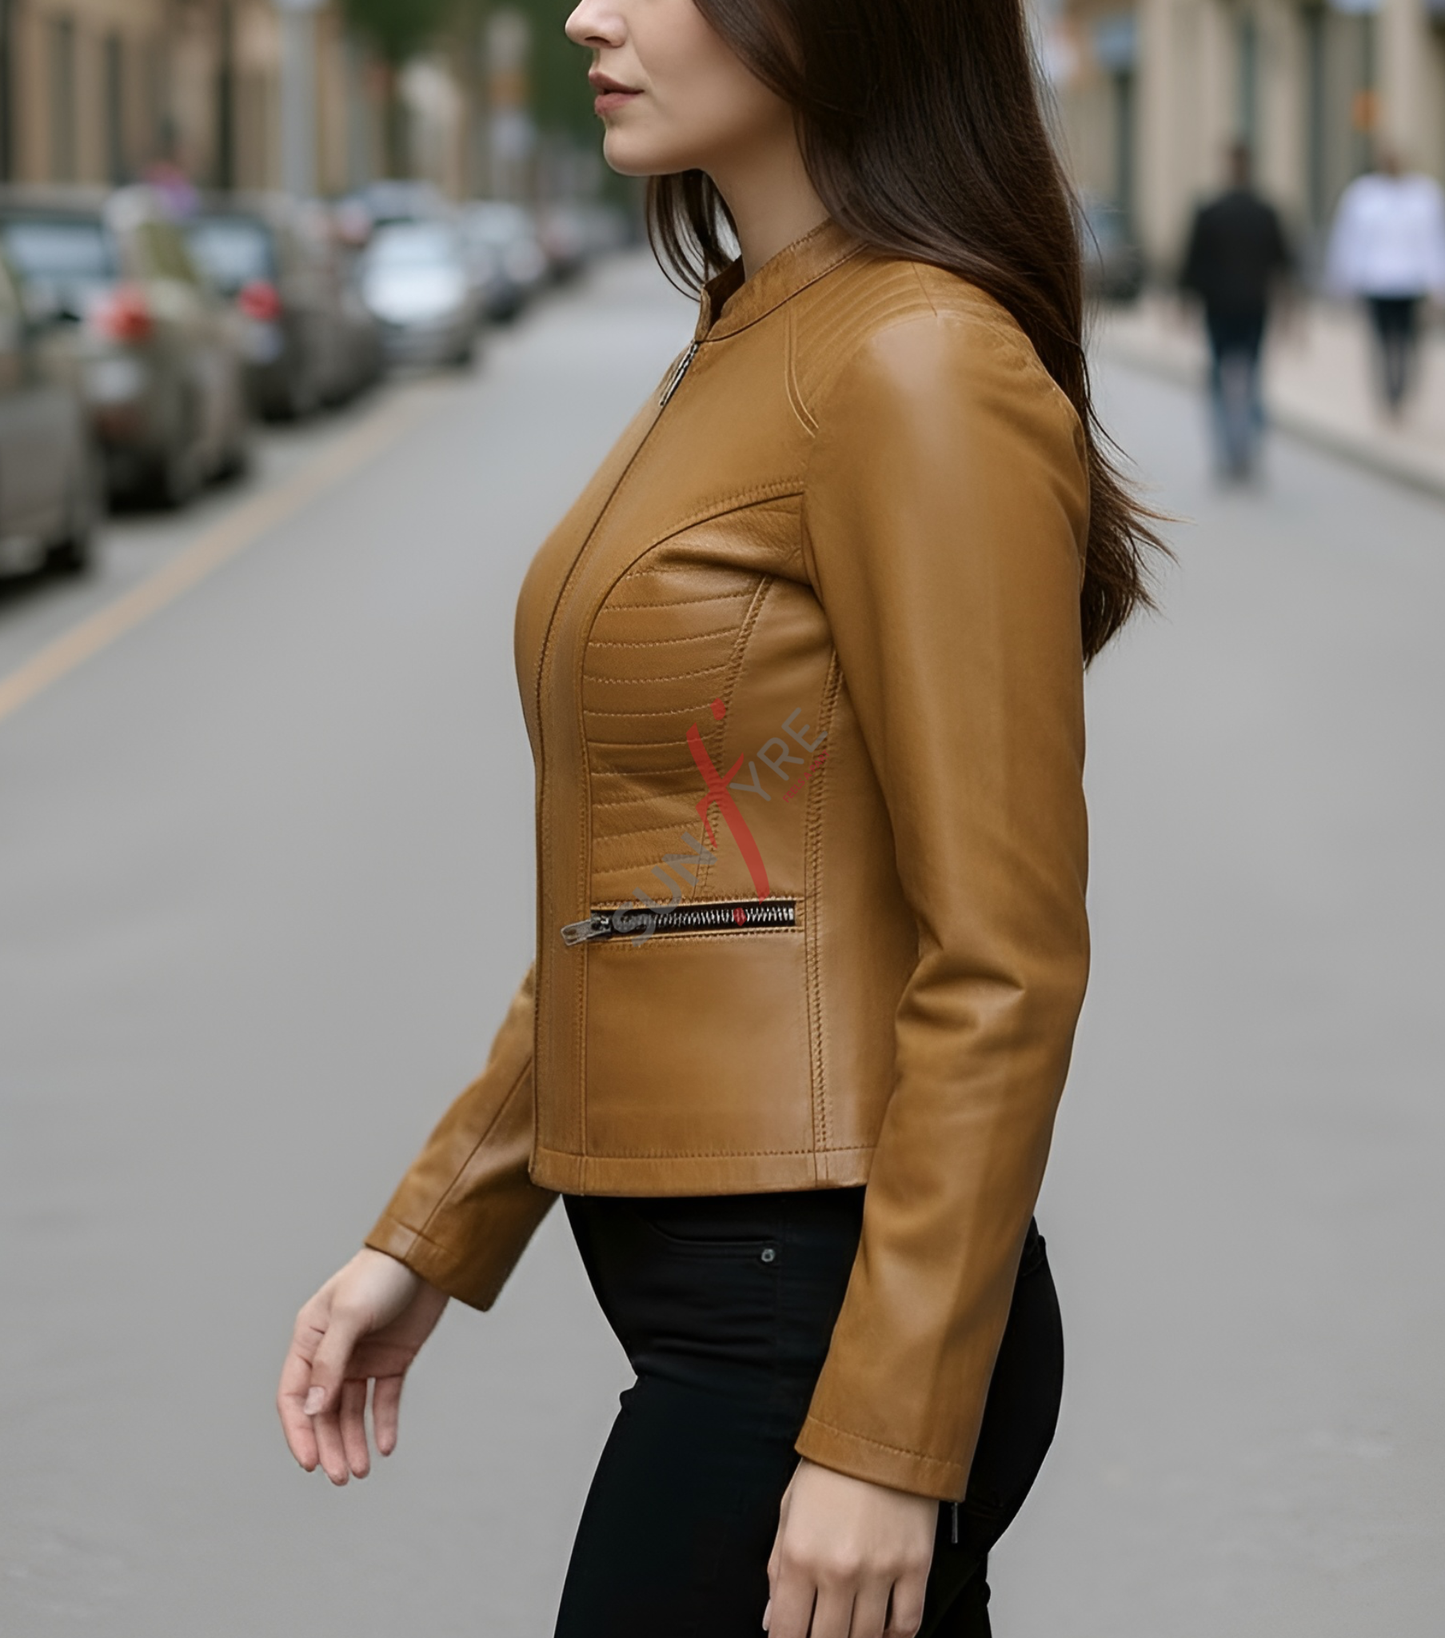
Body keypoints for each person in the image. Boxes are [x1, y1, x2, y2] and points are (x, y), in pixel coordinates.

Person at [276, 2, 1166, 1634]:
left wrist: (885, 1433)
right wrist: (437, 1227)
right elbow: (654, 892)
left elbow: (1007, 959)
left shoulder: (914, 358)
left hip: (817, 1329)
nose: (587, 14)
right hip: (752, 1318)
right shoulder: (759, 327)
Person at [1180, 141, 1292, 480]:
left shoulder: (1211, 212)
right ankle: (1246, 449)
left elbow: (1192, 265)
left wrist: (1183, 304)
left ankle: (1228, 451)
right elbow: (1283, 266)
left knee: (1219, 378)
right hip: (1253, 306)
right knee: (1252, 377)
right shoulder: (1265, 213)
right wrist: (1290, 311)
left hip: (1219, 307)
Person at [1326, 147, 1445, 416]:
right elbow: (1349, 240)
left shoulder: (1423, 196)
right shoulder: (1363, 196)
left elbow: (1433, 242)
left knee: (1408, 341)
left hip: (1410, 284)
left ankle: (1400, 389)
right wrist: (1343, 280)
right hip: (1377, 283)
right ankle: (1388, 392)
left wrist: (1437, 283)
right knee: (1381, 342)